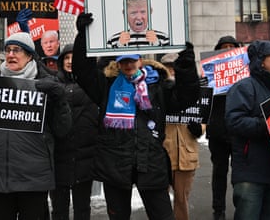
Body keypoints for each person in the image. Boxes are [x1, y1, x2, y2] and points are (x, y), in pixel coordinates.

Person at [73, 13, 200, 220]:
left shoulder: (158, 86)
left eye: (132, 60)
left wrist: (186, 64)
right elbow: (83, 71)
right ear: (118, 63)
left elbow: (187, 97)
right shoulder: (106, 86)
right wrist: (82, 38)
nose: (128, 65)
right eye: (123, 61)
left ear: (140, 60)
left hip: (151, 164)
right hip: (114, 166)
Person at [0, 31, 72, 220]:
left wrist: (60, 101)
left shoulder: (46, 85)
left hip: (33, 180)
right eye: (8, 50)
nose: (11, 55)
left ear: (29, 56)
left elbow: (62, 129)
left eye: (17, 50)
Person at [225, 40, 270, 220]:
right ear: (261, 60)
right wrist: (267, 125)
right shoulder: (244, 87)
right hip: (251, 176)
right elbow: (234, 121)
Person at [49, 43, 99, 220]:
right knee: (59, 210)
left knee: (82, 209)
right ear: (61, 61)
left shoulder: (93, 84)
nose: (71, 62)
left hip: (84, 159)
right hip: (59, 159)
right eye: (67, 58)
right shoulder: (52, 84)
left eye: (74, 58)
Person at [161, 53, 205, 220]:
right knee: (159, 202)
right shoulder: (158, 90)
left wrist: (199, 128)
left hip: (186, 156)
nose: (173, 71)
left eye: (175, 67)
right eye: (169, 67)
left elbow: (203, 116)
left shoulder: (194, 90)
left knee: (182, 201)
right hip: (163, 154)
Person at [207, 35, 240, 220]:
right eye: (224, 46)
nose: (227, 49)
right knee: (219, 172)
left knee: (239, 173)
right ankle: (218, 210)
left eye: (231, 46)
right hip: (217, 132)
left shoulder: (245, 72)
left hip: (238, 131)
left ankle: (240, 207)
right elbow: (203, 100)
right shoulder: (210, 72)